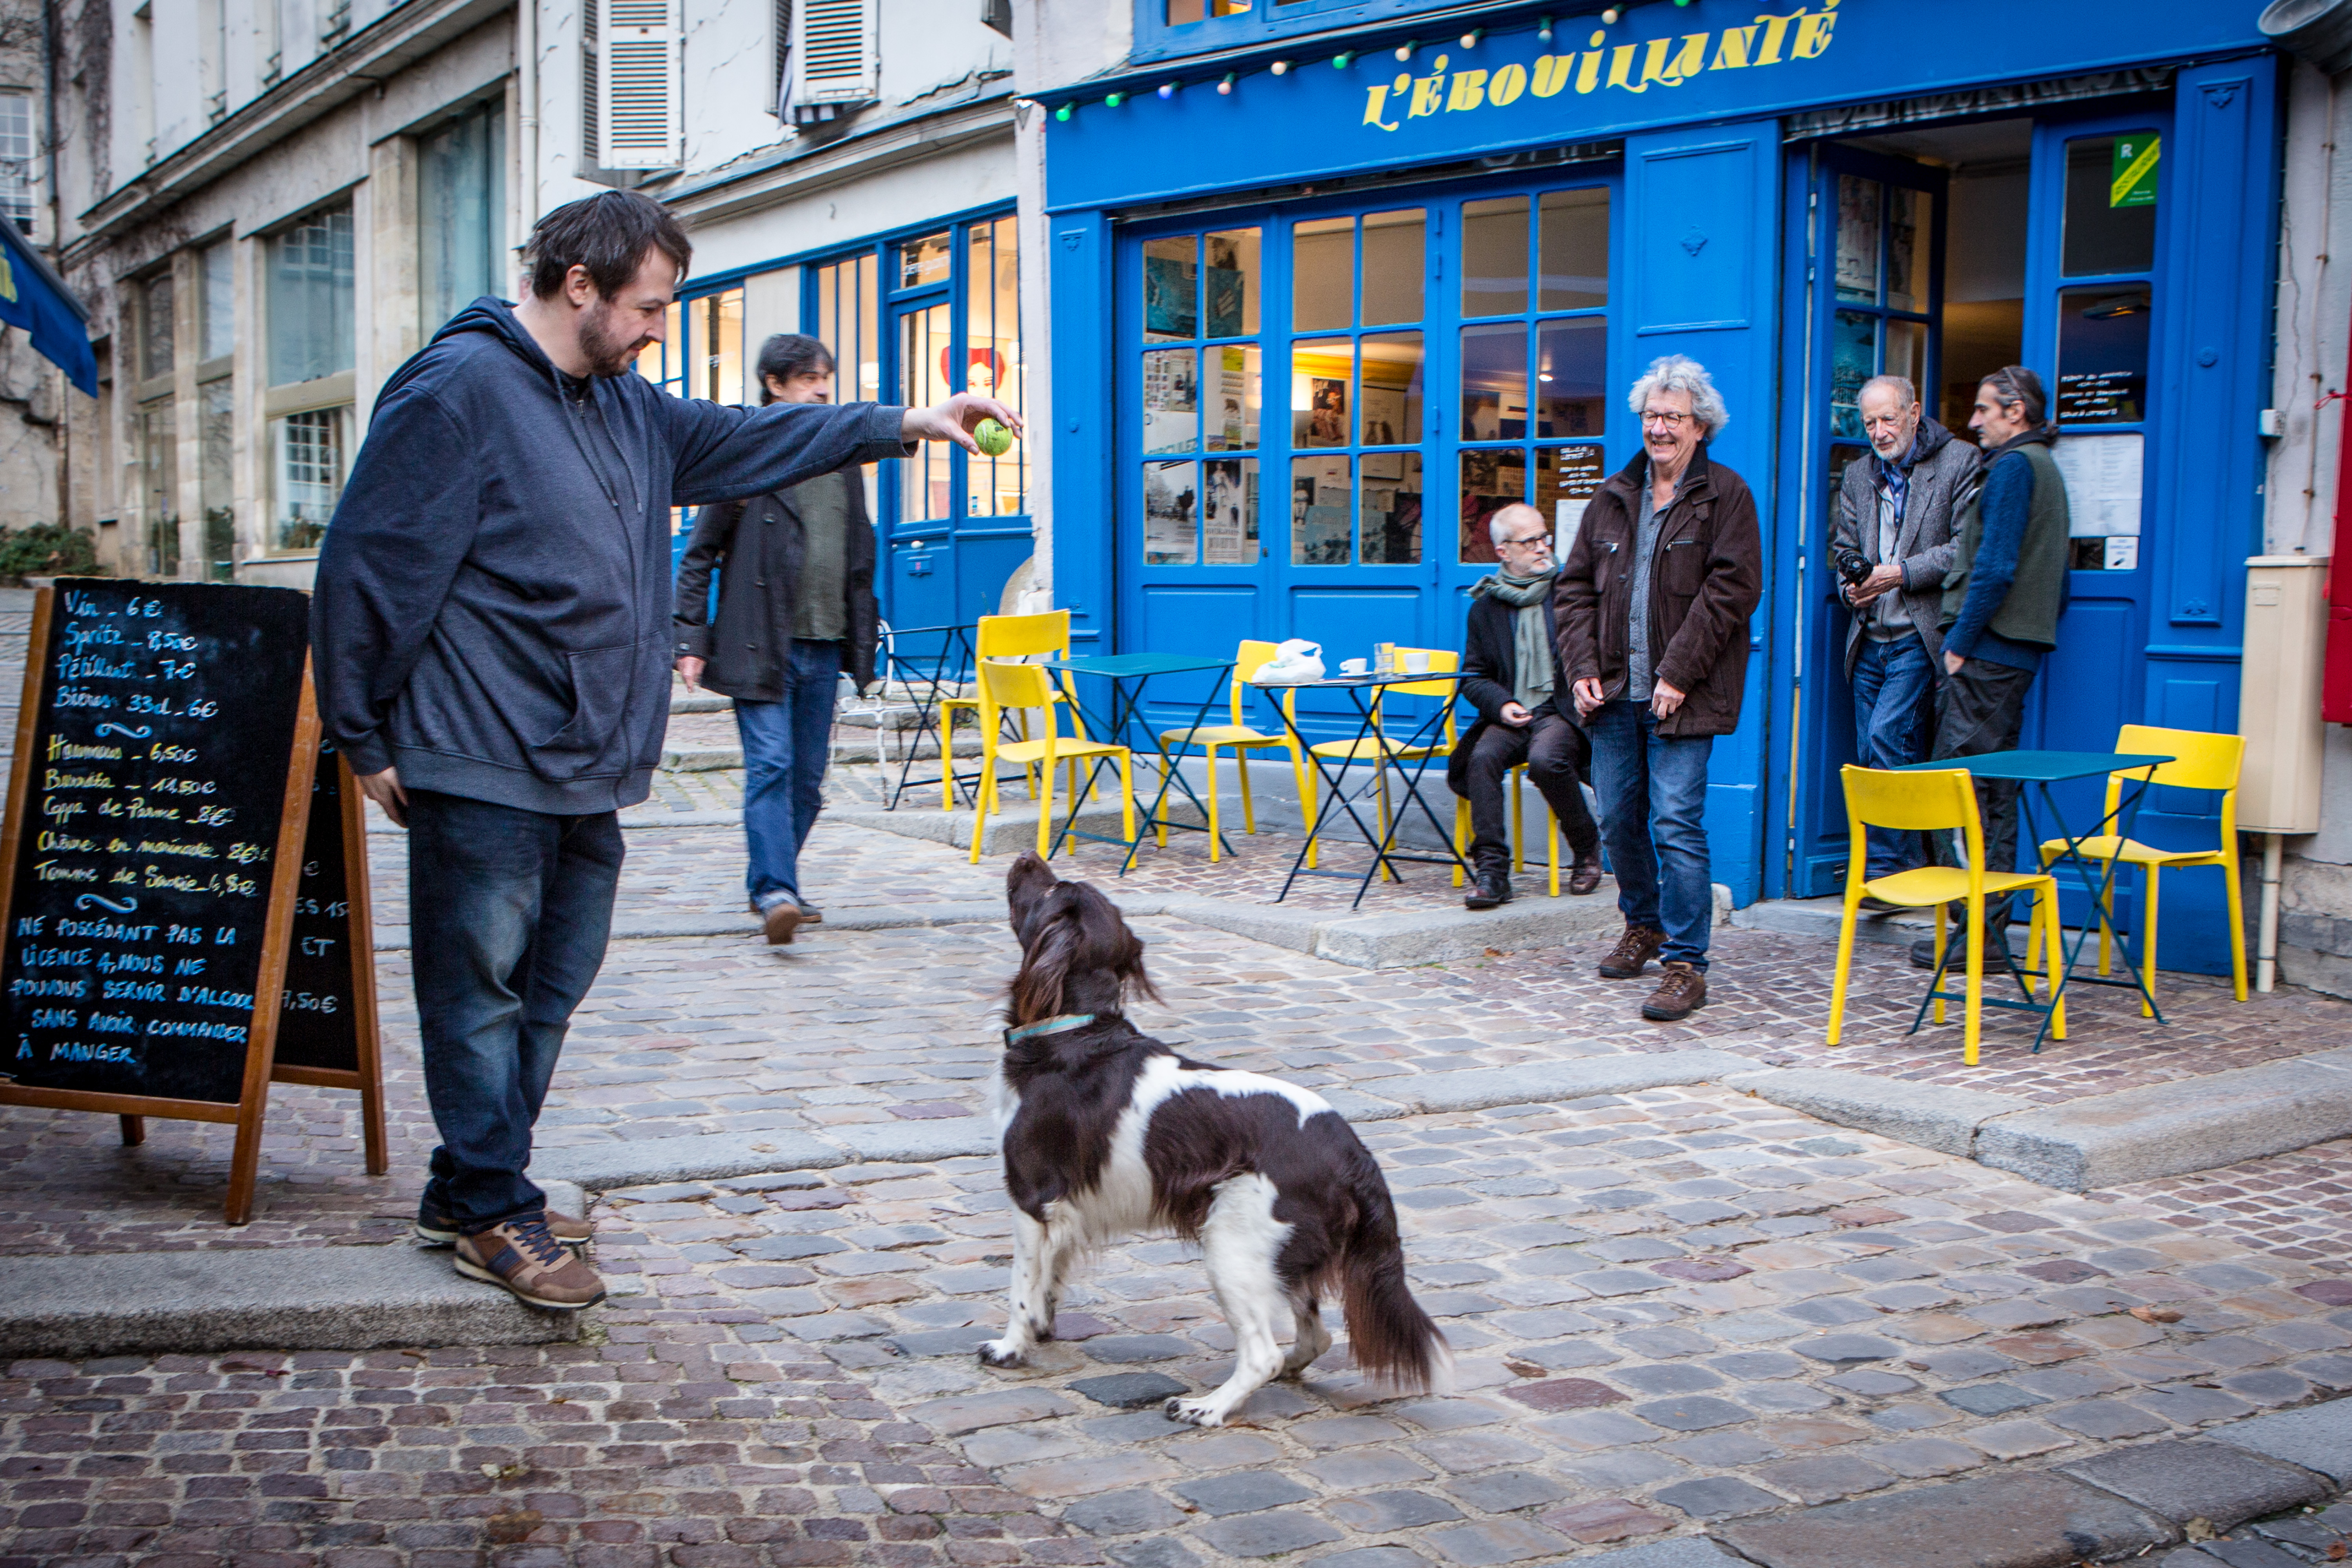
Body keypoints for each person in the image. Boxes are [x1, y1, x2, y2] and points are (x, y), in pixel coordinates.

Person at [312, 191, 1015, 1311]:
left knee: (552, 986)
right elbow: (366, 568)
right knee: (480, 994)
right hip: (477, 747)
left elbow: (752, 437)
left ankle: (468, 1185)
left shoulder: (626, 406)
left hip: (587, 754)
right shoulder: (459, 392)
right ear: (578, 286)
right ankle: (495, 1209)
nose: (657, 331)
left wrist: (909, 422)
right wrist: (362, 735)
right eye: (647, 309)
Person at [1556, 356, 1763, 1023]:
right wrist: (1582, 666)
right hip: (1614, 694)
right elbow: (1573, 590)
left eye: (1673, 417)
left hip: (1686, 695)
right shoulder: (1613, 495)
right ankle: (1641, 924)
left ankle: (1685, 963)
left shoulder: (1726, 496)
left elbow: (1733, 591)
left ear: (1701, 426)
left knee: (1676, 824)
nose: (1660, 428)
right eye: (1651, 416)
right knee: (1618, 821)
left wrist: (1678, 673)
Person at [673, 334, 876, 946]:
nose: (821, 388)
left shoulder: (843, 460)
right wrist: (691, 637)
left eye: (826, 377)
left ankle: (773, 878)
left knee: (808, 780)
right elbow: (699, 555)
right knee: (773, 764)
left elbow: (856, 550)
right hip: (759, 642)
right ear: (775, 384)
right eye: (809, 377)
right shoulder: (748, 455)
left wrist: (863, 635)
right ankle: (776, 893)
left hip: (824, 642)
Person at [1911, 365, 2071, 969]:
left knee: (1962, 791)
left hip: (1988, 653)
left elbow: (1997, 566)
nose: (1973, 421)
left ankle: (1977, 934)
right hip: (2015, 652)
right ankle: (1989, 933)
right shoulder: (2046, 468)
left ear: (2016, 412)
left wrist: (1961, 643)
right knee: (1992, 791)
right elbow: (2060, 580)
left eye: (1984, 409)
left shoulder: (2012, 468)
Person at [1832, 374, 1976, 893]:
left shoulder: (1959, 461)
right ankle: (1899, 864)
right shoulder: (1857, 476)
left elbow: (1965, 549)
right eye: (1869, 422)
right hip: (1869, 635)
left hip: (1920, 632)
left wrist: (1896, 574)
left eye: (1888, 419)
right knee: (1875, 754)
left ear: (1915, 414)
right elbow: (1844, 549)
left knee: (1886, 737)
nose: (1879, 431)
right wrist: (1851, 589)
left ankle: (1890, 873)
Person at [1449, 502, 1604, 908]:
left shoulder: (1570, 592)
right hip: (1514, 712)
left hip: (1561, 712)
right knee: (1481, 758)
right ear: (1504, 551)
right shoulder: (1486, 606)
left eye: (1544, 537)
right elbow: (1474, 676)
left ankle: (1587, 848)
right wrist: (1502, 706)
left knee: (1546, 760)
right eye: (1530, 541)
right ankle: (1493, 872)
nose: (1542, 547)